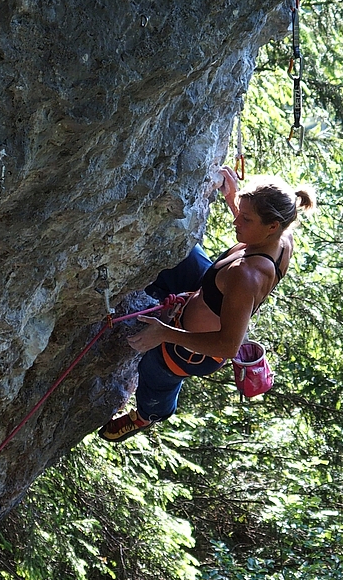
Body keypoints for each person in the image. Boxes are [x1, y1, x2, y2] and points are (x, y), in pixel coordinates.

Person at [98, 169, 316, 442]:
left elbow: (227, 347)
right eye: (240, 211)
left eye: (245, 218)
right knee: (178, 251)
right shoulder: (281, 239)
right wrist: (233, 195)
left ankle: (147, 416)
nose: (236, 220)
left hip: (189, 351)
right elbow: (252, 223)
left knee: (154, 374)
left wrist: (164, 333)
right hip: (207, 292)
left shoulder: (246, 275)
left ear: (272, 225)